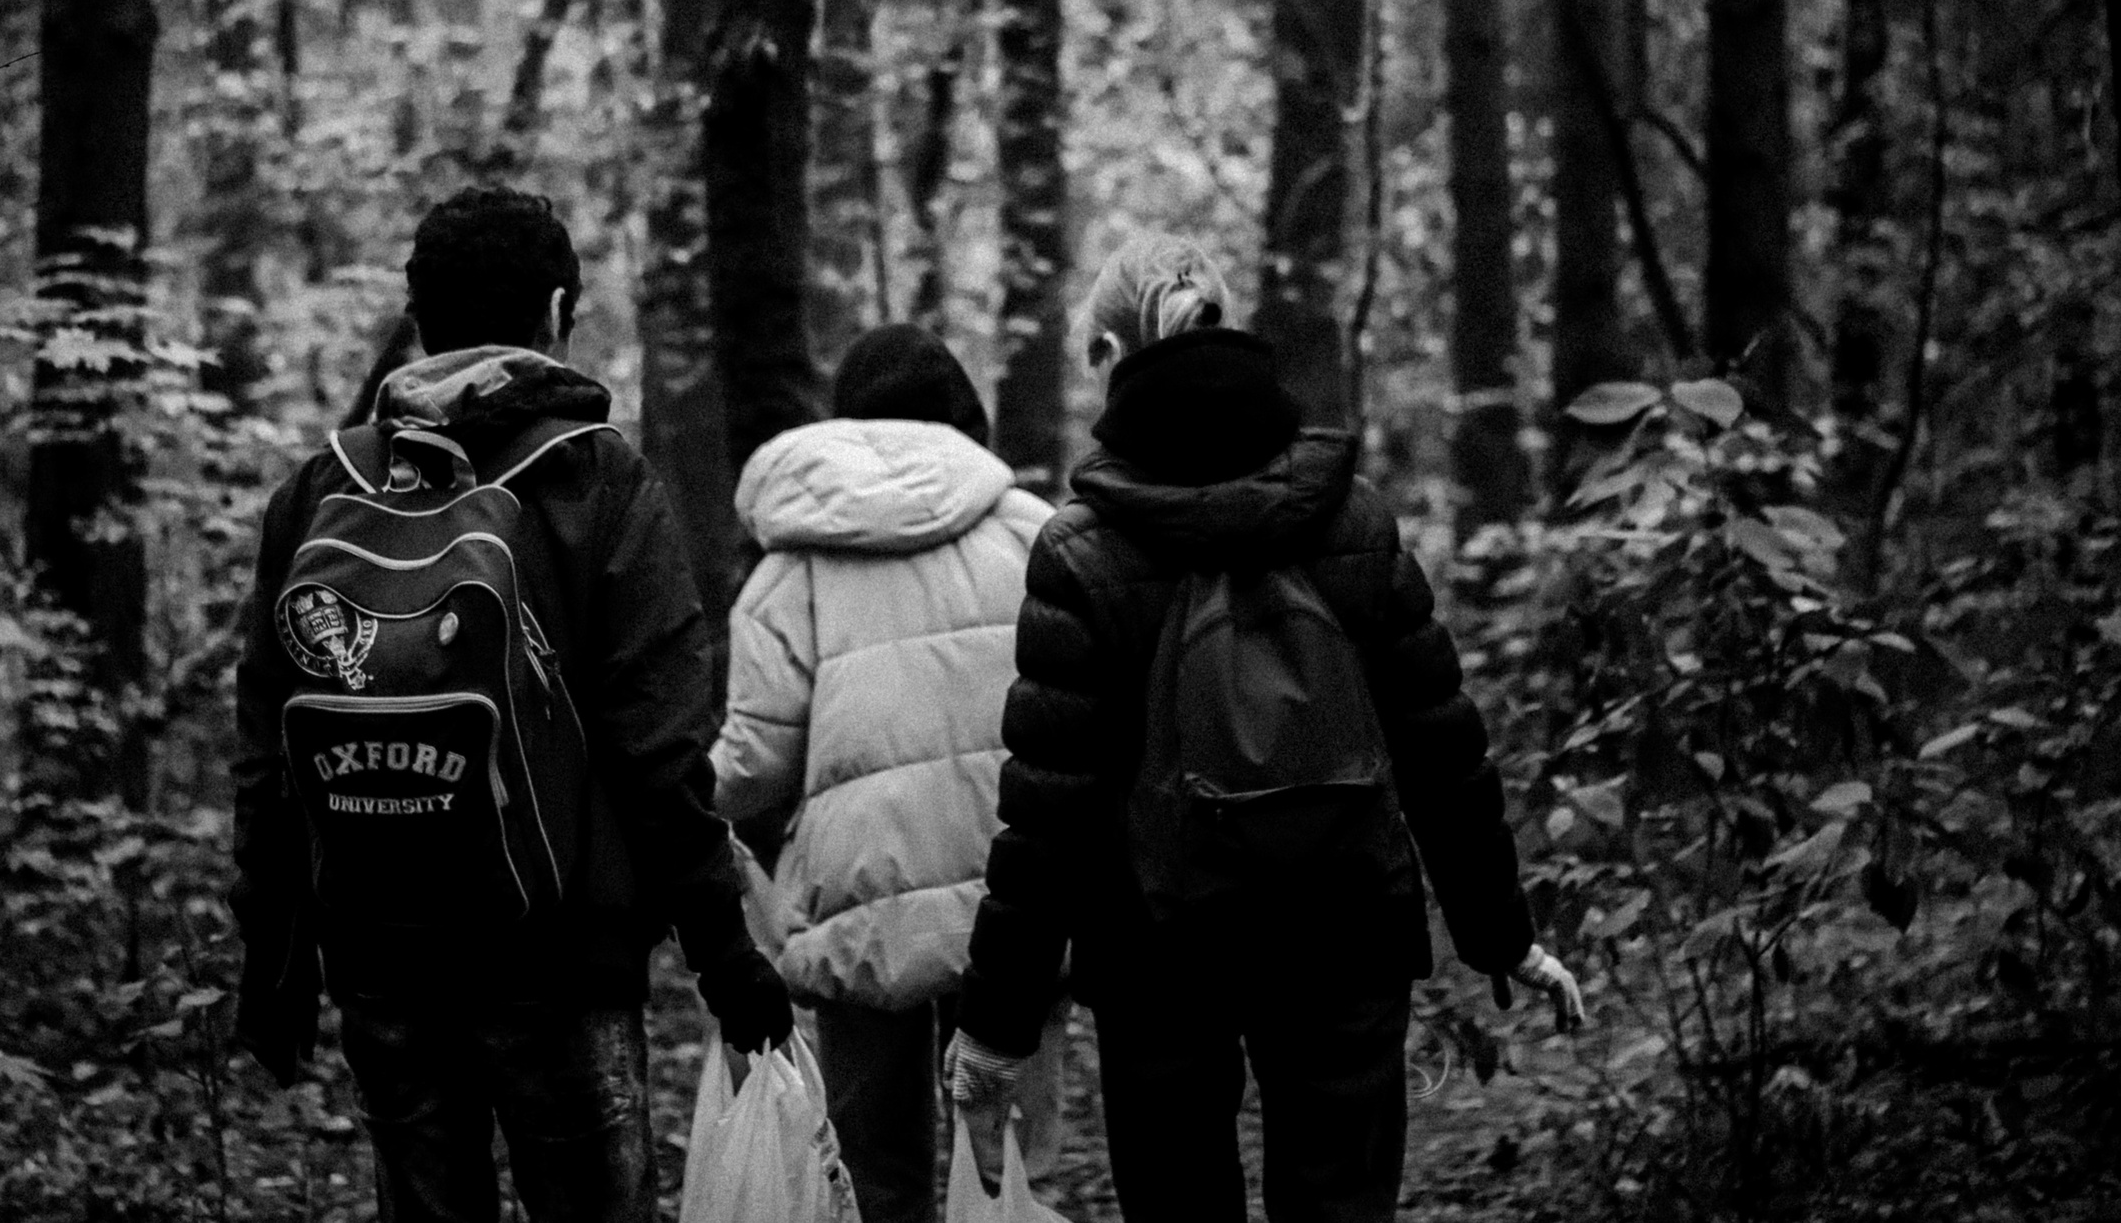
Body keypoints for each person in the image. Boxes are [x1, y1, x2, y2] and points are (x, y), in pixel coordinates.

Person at [945, 233, 1584, 1223]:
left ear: (1110, 354)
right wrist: (1501, 934)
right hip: (1346, 925)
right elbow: (1439, 745)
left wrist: (996, 1026)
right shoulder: (1352, 518)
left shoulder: (1080, 553)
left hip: (1159, 949)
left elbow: (1049, 813)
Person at [230, 185, 792, 1223]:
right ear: (557, 311)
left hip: (381, 947)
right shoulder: (600, 482)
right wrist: (725, 955)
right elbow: (658, 753)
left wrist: (275, 958)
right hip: (562, 958)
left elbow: (269, 750)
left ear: (418, 320)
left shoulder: (321, 491)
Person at [709, 325, 1060, 1223]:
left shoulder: (792, 565)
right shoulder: (1035, 534)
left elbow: (756, 765)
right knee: (1007, 1167)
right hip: (1015, 890)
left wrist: (687, 799)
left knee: (874, 1168)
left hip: (858, 896)